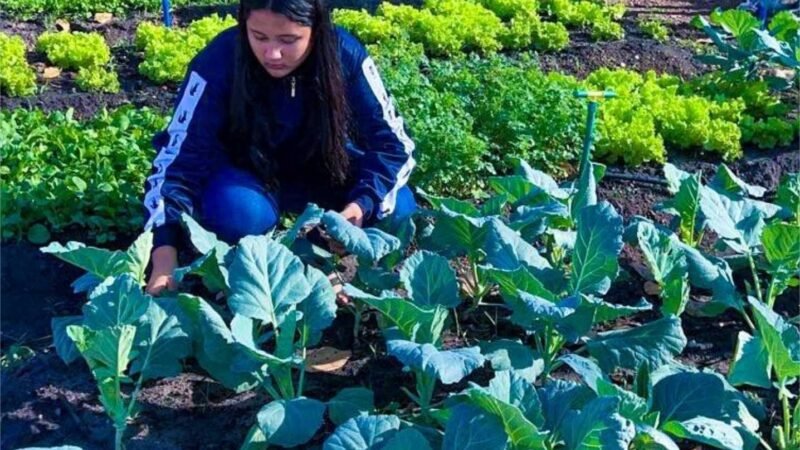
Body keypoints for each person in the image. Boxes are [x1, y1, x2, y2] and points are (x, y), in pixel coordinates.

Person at [143, 0, 417, 295]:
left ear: (316, 28)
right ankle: (287, 259)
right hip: (249, 177)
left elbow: (393, 145)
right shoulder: (219, 60)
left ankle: (324, 258)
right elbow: (177, 161)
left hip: (327, 172)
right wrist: (163, 260)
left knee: (399, 207)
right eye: (258, 37)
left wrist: (358, 207)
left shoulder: (345, 54)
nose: (272, 53)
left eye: (288, 40)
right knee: (238, 214)